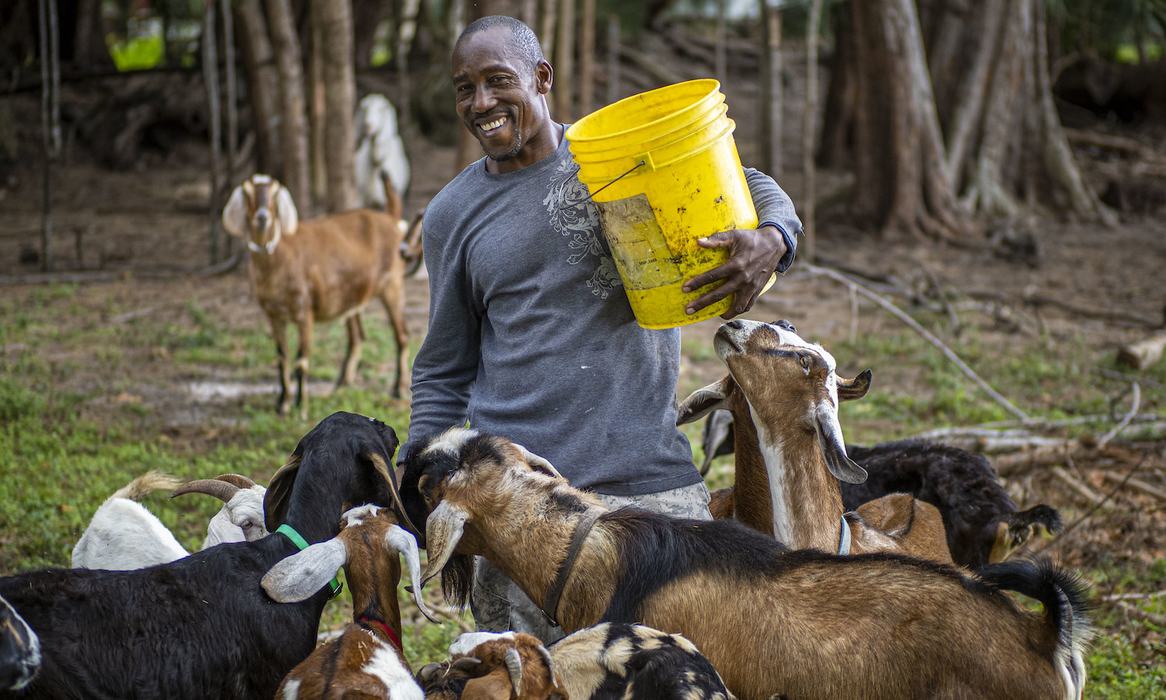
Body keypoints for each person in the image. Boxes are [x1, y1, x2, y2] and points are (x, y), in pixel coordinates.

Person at [399, 15, 802, 641]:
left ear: (542, 78)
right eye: (464, 88)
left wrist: (772, 238)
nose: (481, 103)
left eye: (497, 81)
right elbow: (443, 366)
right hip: (520, 505)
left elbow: (749, 184)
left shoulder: (611, 161)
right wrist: (418, 479)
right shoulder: (453, 214)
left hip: (648, 487)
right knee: (533, 675)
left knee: (677, 670)